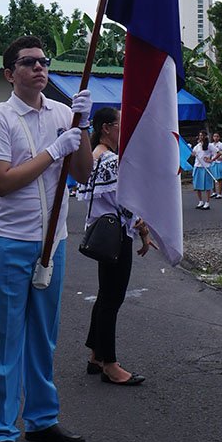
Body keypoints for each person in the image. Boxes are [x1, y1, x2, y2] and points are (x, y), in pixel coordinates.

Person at [0, 36, 93, 442]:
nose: (39, 68)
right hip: (9, 240)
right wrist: (53, 151)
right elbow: (3, 181)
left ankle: (42, 419)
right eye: (29, 63)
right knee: (3, 338)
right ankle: (2, 432)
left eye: (44, 61)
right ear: (10, 74)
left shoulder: (63, 114)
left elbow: (82, 171)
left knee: (43, 336)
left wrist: (81, 127)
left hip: (52, 242)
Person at [78, 107, 152, 386]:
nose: (125, 130)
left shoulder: (93, 157)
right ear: (107, 128)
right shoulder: (110, 161)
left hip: (102, 234)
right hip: (117, 235)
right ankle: (110, 364)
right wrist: (143, 230)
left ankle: (96, 356)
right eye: (121, 125)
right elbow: (125, 205)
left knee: (105, 295)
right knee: (112, 299)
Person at [191, 130, 215, 209]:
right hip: (197, 167)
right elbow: (193, 154)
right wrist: (192, 153)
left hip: (206, 167)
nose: (200, 137)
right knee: (197, 186)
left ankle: (207, 202)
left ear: (205, 136)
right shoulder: (197, 146)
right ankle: (200, 201)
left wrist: (211, 160)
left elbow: (219, 153)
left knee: (207, 186)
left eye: (202, 135)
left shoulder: (210, 145)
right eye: (199, 135)